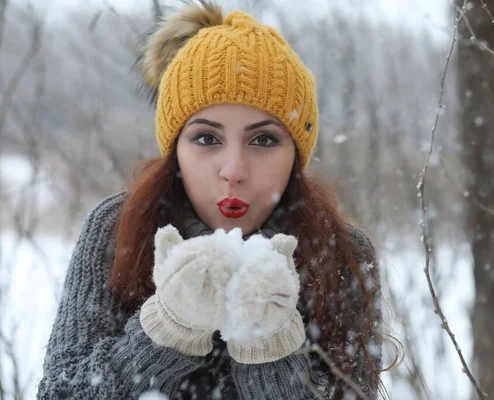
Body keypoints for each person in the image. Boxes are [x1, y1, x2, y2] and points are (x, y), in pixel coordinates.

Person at [37, 2, 394, 399]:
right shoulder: (117, 228)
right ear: (176, 150)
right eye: (207, 138)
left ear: (296, 153)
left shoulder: (340, 254)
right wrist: (167, 328)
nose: (234, 169)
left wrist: (269, 345)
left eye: (264, 140)